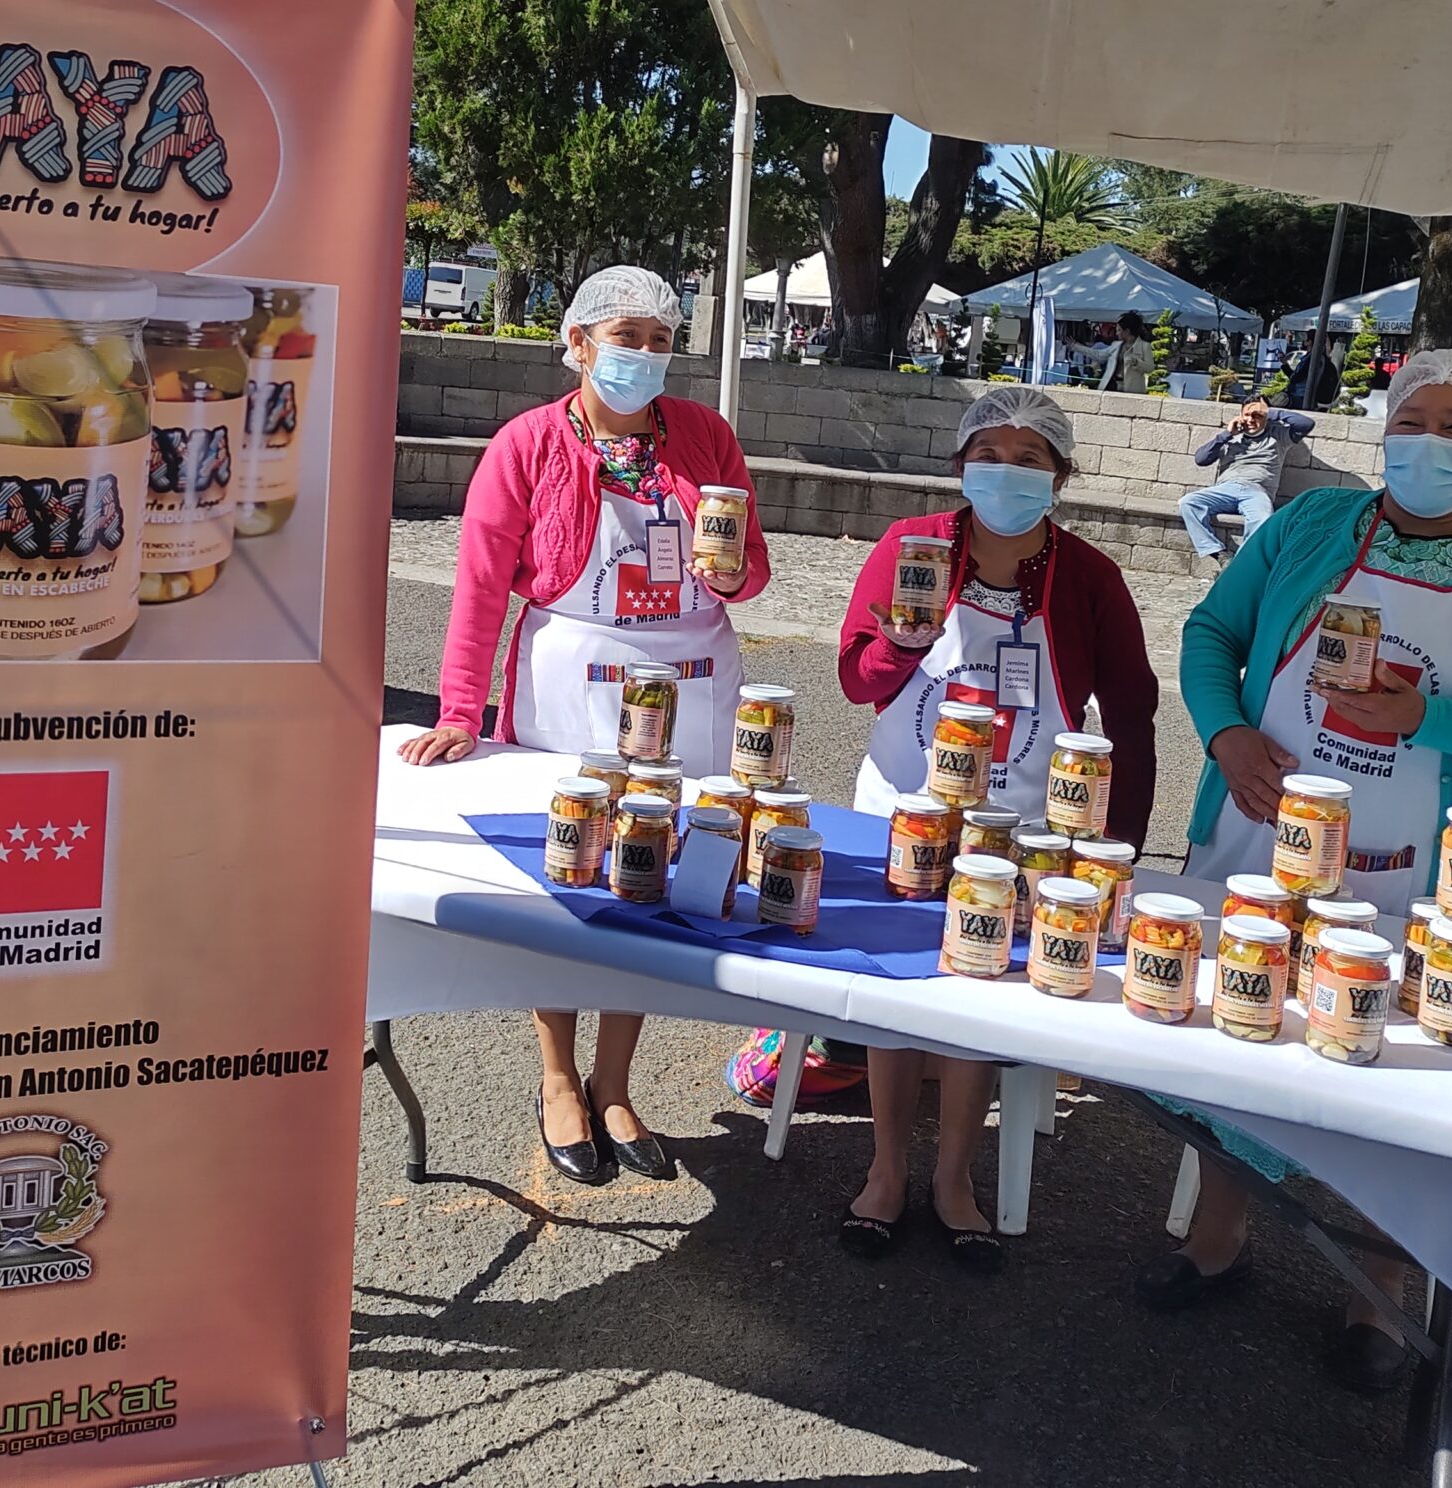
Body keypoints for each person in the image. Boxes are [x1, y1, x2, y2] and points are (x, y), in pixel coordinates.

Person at [1140, 348, 1452, 1391]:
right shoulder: (1308, 529)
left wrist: (1425, 714)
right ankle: (1215, 1241)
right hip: (1264, 838)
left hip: (1424, 877)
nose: (1428, 442)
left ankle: (1381, 1299)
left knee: (1405, 1077)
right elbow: (1213, 633)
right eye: (1412, 420)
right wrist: (1225, 738)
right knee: (1236, 1042)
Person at [398, 265, 769, 1185]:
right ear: (577, 345)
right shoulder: (526, 446)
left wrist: (730, 579)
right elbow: (481, 590)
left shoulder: (705, 436)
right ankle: (558, 1076)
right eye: (625, 336)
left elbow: (750, 567)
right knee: (567, 873)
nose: (643, 355)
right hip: (573, 673)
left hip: (691, 670)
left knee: (653, 867)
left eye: (659, 339)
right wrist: (459, 711)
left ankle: (616, 1080)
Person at [835, 386, 1158, 1264]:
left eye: (1030, 459)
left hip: (1022, 824)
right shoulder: (912, 549)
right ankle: (888, 1167)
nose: (1007, 473)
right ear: (959, 465)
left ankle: (955, 1178)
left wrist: (1113, 850)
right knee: (899, 987)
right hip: (905, 805)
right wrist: (901, 643)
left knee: (977, 997)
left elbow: (1132, 710)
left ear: (1060, 476)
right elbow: (858, 682)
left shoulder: (1090, 577)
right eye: (990, 454)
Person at [1177, 393, 1315, 570]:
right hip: (1226, 489)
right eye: (1247, 414)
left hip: (1257, 491)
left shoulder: (1279, 435)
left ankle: (1238, 565)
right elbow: (1201, 459)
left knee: (1263, 519)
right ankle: (1219, 554)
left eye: (1257, 415)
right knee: (1188, 502)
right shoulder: (1231, 437)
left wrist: (1270, 412)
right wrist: (1226, 434)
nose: (1251, 419)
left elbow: (1307, 424)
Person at [1103, 311, 1153, 392]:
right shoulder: (1116, 345)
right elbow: (1099, 354)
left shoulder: (1144, 346)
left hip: (1132, 388)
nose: (1116, 333)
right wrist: (1075, 345)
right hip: (1113, 386)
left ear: (1127, 331)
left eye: (1119, 330)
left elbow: (1150, 368)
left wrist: (1137, 362)